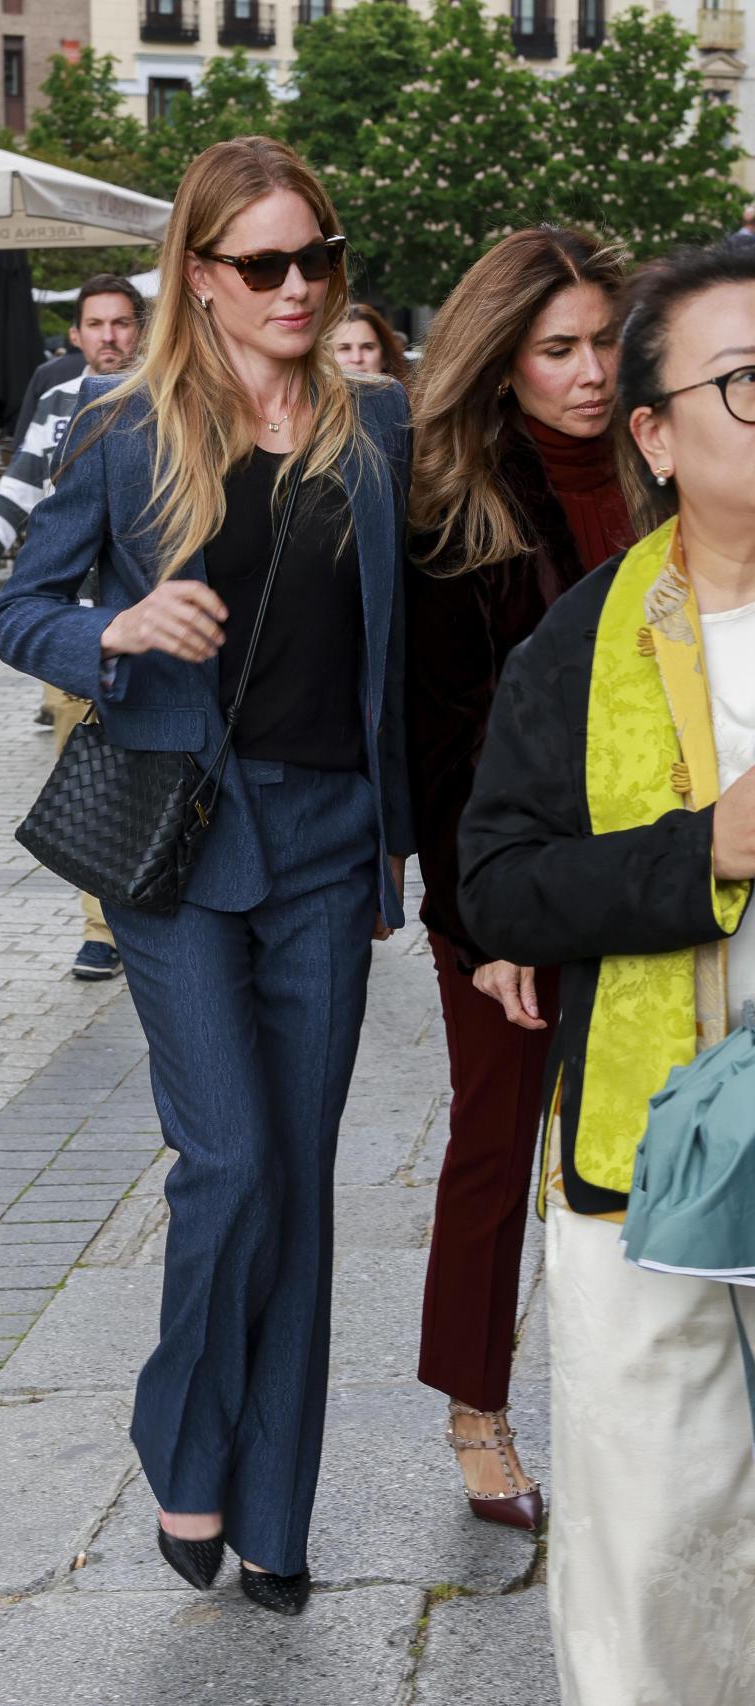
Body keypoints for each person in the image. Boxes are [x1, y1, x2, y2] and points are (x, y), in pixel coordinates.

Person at [0, 135, 412, 1614]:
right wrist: (114, 629)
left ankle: (276, 1509)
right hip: (178, 841)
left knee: (298, 1180)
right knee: (229, 1162)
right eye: (264, 264)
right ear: (200, 275)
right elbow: (17, 607)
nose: (298, 287)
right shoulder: (119, 427)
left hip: (328, 846)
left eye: (316, 259)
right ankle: (183, 1435)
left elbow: (407, 647)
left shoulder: (378, 428)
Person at [457, 237, 755, 1705]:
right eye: (748, 380)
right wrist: (711, 845)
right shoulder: (580, 643)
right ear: (654, 430)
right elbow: (499, 879)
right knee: (653, 1532)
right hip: (647, 1151)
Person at [406, 226, 633, 1530]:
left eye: (605, 340)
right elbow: (439, 739)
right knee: (496, 1140)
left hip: (656, 865)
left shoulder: (669, 465)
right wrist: (481, 921)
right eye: (559, 349)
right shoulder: (460, 502)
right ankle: (475, 1404)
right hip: (508, 877)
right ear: (504, 362)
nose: (592, 371)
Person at [0, 274, 144, 982]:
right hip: (78, 633)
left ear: (139, 329)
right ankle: (102, 927)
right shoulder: (60, 401)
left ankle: (151, 908)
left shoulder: (165, 396)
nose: (111, 337)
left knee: (155, 774)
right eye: (98, 324)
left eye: (123, 323)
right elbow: (21, 486)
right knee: (88, 774)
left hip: (152, 630)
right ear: (78, 335)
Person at [331, 303, 409, 384]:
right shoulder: (317, 396)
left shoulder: (404, 395)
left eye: (367, 347)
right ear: (326, 355)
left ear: (385, 356)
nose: (357, 358)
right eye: (345, 348)